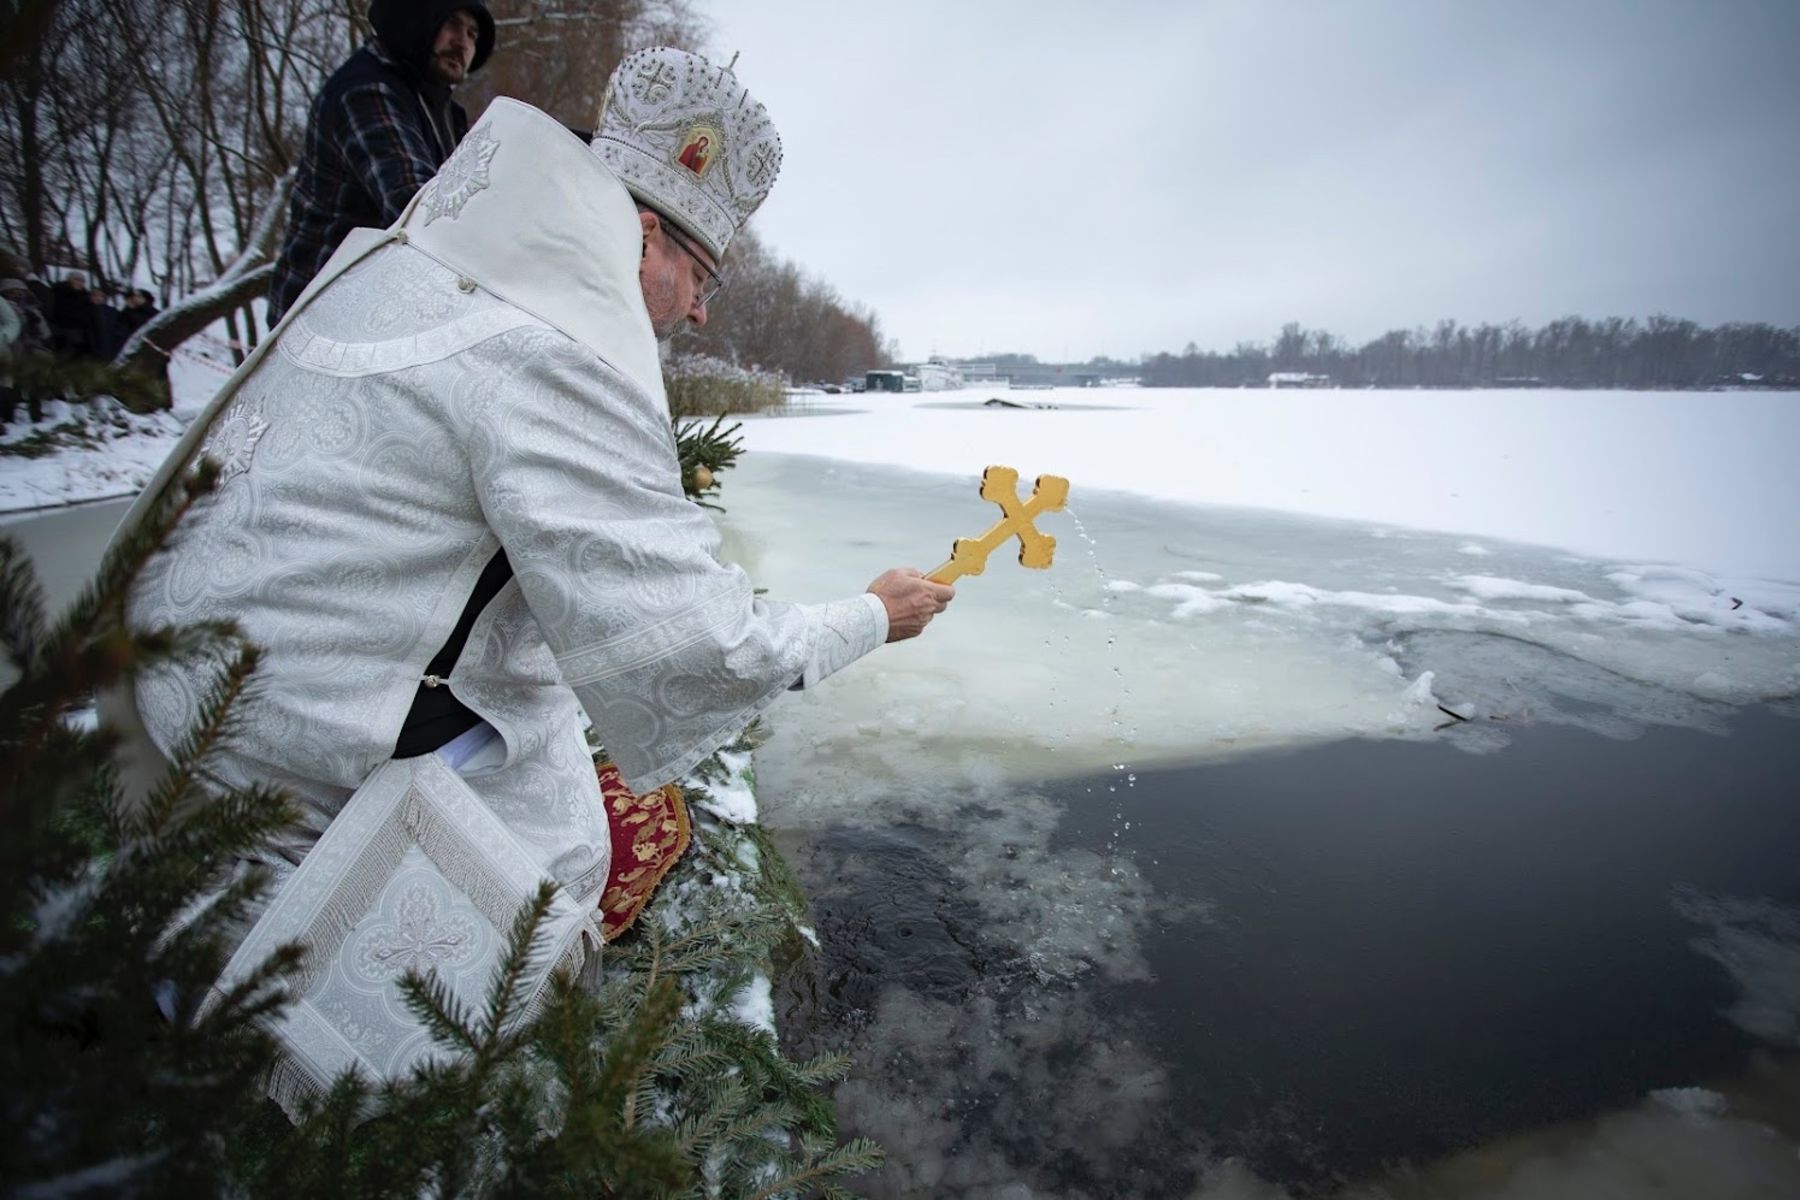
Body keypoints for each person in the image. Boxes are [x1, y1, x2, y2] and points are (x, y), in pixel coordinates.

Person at [112, 47, 953, 1108]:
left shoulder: (413, 258)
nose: (699, 313)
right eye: (702, 276)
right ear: (647, 235)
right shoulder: (560, 342)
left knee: (551, 762)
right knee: (549, 866)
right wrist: (872, 616)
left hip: (191, 693)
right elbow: (699, 645)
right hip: (294, 776)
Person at [265, 0, 496, 323]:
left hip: (369, 308)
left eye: (472, 34)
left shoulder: (438, 108)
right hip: (316, 315)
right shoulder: (366, 91)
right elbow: (421, 212)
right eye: (452, 24)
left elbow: (477, 193)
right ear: (418, 19)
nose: (463, 43)